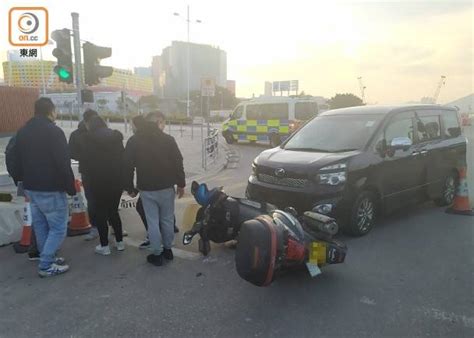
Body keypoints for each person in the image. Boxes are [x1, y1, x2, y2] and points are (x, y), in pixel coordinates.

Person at [14, 97, 76, 277]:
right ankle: (46, 264)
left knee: (41, 226)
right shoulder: (54, 131)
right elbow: (63, 162)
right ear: (51, 111)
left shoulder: (23, 131)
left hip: (31, 187)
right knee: (58, 228)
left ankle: (46, 257)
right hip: (51, 188)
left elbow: (15, 158)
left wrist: (21, 180)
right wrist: (70, 187)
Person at [124, 111, 185, 266]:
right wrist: (181, 184)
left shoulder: (134, 140)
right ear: (158, 123)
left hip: (147, 188)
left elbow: (127, 166)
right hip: (167, 187)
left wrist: (129, 187)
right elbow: (178, 161)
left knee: (152, 222)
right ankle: (168, 250)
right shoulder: (168, 139)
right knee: (167, 219)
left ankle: (157, 254)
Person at [81, 115, 125, 255]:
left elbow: (85, 164)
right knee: (113, 211)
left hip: (97, 182)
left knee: (100, 213)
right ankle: (120, 243)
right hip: (116, 181)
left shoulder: (87, 139)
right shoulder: (116, 137)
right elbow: (123, 159)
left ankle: (104, 246)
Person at [68, 109, 99, 241]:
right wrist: (85, 157)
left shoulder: (100, 132)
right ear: (86, 121)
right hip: (88, 172)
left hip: (101, 171)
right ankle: (95, 228)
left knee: (107, 199)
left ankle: (113, 227)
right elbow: (71, 152)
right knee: (92, 201)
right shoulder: (76, 135)